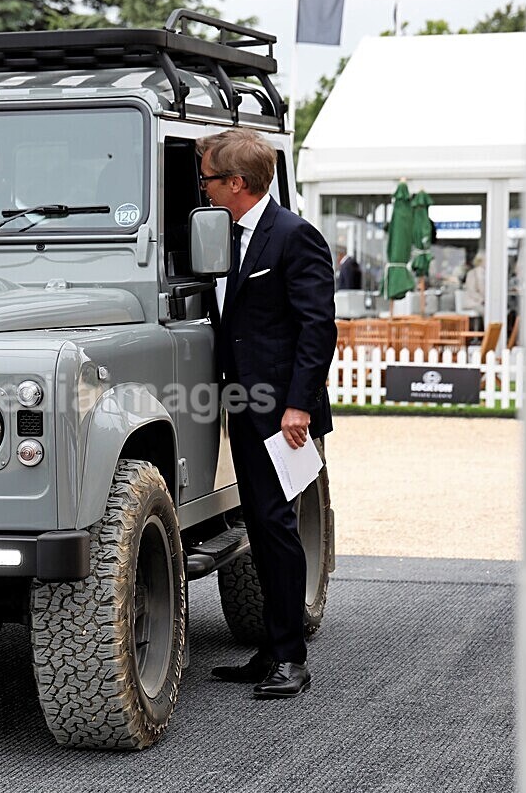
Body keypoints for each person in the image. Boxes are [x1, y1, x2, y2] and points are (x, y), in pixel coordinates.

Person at [199, 129, 336, 699]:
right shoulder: (223, 235)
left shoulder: (294, 235)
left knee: (277, 531)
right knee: (259, 528)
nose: (201, 188)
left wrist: (299, 406)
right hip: (243, 404)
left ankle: (291, 660)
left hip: (283, 412)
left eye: (207, 178)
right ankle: (271, 649)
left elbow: (316, 328)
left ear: (236, 182)